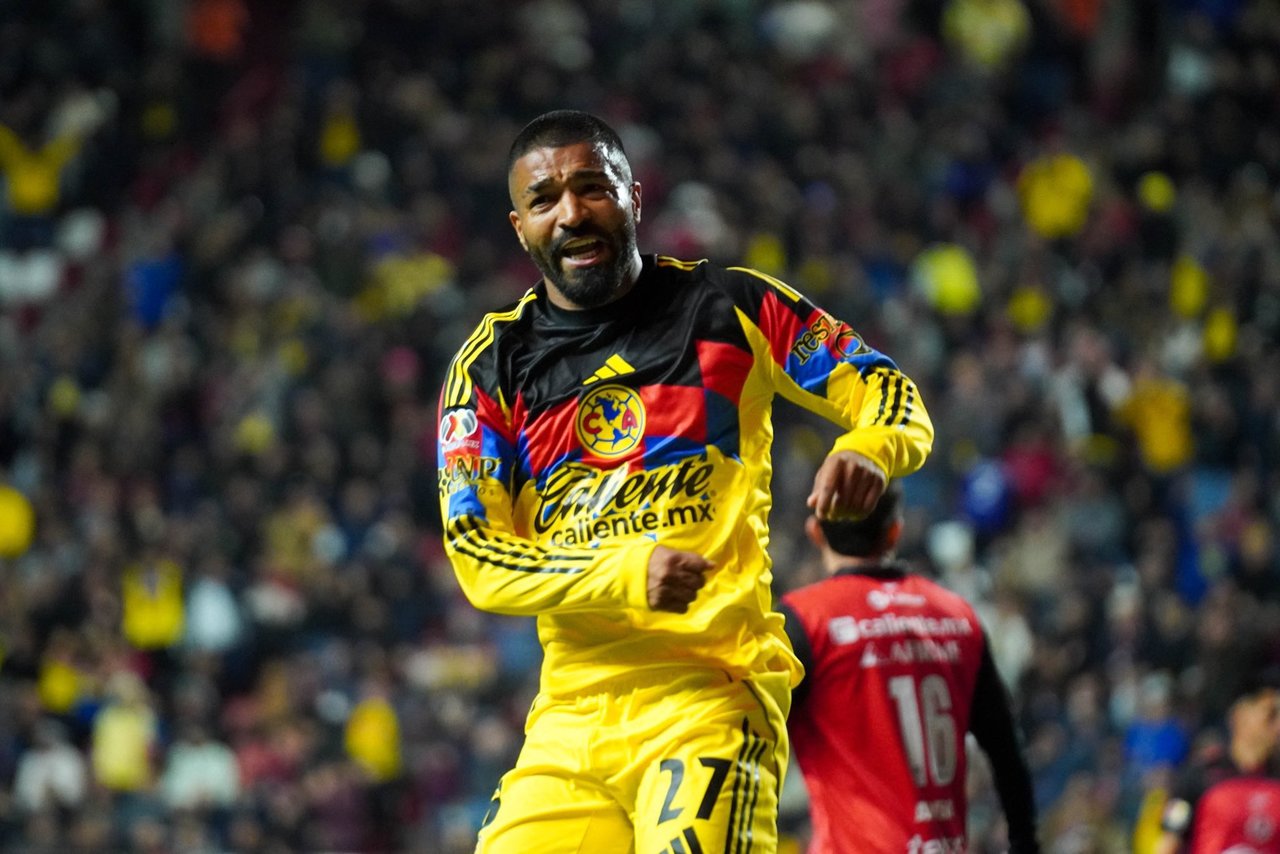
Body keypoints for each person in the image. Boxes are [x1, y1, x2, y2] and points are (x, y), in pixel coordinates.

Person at [436, 109, 934, 852]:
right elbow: (479, 556)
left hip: (712, 693)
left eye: (592, 188)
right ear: (520, 226)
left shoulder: (732, 308)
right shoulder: (490, 366)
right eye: (544, 200)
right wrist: (626, 572)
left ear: (633, 198)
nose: (571, 214)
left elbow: (885, 387)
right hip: (570, 724)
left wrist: (871, 446)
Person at [779, 482, 1040, 853]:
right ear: (894, 532)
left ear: (815, 532)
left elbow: (750, 734)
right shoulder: (957, 616)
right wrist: (1025, 842)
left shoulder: (805, 620)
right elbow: (1007, 752)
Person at [1154, 667, 1280, 854]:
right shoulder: (1198, 775)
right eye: (1271, 715)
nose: (1278, 725)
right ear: (1240, 716)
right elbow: (1169, 843)